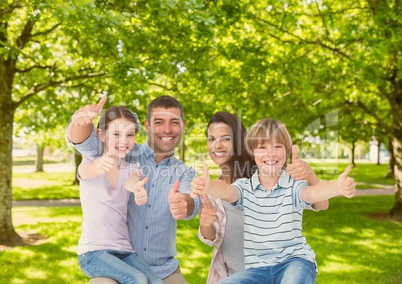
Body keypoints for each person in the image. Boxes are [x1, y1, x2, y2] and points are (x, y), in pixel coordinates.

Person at [191, 118, 356, 284]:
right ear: (252, 152)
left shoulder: (293, 185)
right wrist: (208, 185)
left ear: (286, 152)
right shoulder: (245, 187)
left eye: (277, 146)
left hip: (294, 262)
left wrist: (337, 187)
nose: (270, 153)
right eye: (262, 147)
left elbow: (314, 193)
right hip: (258, 269)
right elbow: (226, 190)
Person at [68, 96, 200, 284]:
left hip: (163, 268)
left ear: (184, 125)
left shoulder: (185, 173)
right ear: (147, 125)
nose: (167, 129)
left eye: (174, 122)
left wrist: (184, 204)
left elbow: (192, 203)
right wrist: (81, 121)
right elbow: (83, 142)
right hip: (108, 262)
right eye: (159, 122)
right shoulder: (121, 151)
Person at [77, 105, 162, 283]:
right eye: (116, 134)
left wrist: (138, 188)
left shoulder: (132, 168)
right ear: (101, 135)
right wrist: (97, 167)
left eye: (130, 135)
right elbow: (87, 172)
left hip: (124, 251)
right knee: (137, 279)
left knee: (156, 281)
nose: (124, 140)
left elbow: (132, 181)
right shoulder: (89, 163)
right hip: (93, 253)